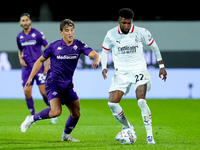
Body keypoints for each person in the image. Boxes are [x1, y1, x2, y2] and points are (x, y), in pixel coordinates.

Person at [20, 19, 100, 142]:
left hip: (67, 85)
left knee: (76, 113)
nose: (70, 33)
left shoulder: (78, 45)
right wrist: (30, 78)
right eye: (67, 30)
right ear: (61, 32)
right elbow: (40, 60)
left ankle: (66, 136)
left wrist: (96, 61)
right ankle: (31, 119)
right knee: (56, 112)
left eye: (72, 30)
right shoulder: (53, 46)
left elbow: (95, 54)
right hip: (53, 83)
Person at [101, 8, 167, 145]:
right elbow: (104, 51)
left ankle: (150, 135)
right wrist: (104, 67)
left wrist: (161, 66)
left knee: (141, 101)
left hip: (139, 70)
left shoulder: (141, 32)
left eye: (129, 23)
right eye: (124, 23)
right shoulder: (111, 34)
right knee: (112, 103)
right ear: (119, 20)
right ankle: (128, 127)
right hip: (121, 73)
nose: (126, 26)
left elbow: (154, 47)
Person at [16, 13, 57, 124]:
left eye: (26, 20)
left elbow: (48, 48)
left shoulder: (37, 34)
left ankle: (52, 112)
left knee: (43, 92)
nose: (25, 22)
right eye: (23, 20)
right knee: (27, 92)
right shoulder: (19, 37)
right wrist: (20, 58)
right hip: (26, 69)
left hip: (38, 68)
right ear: (20, 23)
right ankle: (33, 116)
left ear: (30, 21)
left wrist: (47, 65)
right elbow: (20, 50)